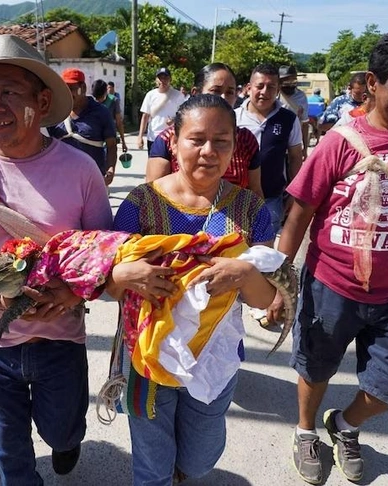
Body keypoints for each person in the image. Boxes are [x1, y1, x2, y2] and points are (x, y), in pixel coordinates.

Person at [270, 27, 388, 484]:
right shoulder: (340, 140)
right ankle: (306, 431)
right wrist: (279, 281)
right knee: (315, 368)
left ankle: (345, 425)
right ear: (373, 83)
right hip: (331, 286)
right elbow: (300, 212)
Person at [0, 35, 113, 485]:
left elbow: (105, 251)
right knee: (9, 447)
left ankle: (67, 442)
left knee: (62, 428)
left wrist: (68, 293)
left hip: (60, 337)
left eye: (8, 92)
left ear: (42, 101)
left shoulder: (80, 170)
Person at [108, 94, 277, 485]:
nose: (208, 151)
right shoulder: (140, 205)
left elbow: (267, 298)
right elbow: (108, 284)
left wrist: (242, 273)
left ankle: (184, 470)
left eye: (221, 141)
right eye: (196, 139)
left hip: (215, 358)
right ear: (174, 141)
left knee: (200, 460)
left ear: (235, 146)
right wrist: (123, 277)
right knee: (152, 467)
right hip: (147, 355)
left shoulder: (251, 211)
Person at [146, 62, 264, 199]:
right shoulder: (167, 139)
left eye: (230, 92)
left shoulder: (246, 140)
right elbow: (152, 197)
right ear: (196, 93)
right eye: (216, 91)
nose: (224, 98)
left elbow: (255, 191)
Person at [235, 63, 303, 235]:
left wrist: (294, 194)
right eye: (260, 86)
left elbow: (295, 157)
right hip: (234, 197)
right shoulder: (233, 118)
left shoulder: (288, 119)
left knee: (263, 252)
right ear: (249, 88)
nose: (265, 91)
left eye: (271, 87)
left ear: (278, 89)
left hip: (271, 197)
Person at [48, 69, 118, 186]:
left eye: (72, 89)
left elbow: (111, 145)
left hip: (92, 181)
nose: (68, 94)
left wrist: (110, 169)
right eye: (64, 90)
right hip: (61, 180)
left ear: (83, 88)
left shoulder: (101, 113)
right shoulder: (55, 113)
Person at [137, 67, 186, 153]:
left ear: (170, 79)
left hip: (171, 136)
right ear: (156, 80)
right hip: (153, 137)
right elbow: (145, 116)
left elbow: (184, 114)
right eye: (160, 78)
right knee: (153, 164)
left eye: (165, 78)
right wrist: (140, 136)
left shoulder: (178, 95)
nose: (163, 81)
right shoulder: (150, 95)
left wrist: (174, 120)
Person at [278, 65, 311, 158]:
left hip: (294, 144)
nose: (290, 83)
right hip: (276, 143)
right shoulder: (273, 95)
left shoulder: (301, 96)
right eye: (286, 80)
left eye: (293, 80)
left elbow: (305, 123)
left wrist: (305, 147)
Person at [91, 78, 128, 155]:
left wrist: (123, 141)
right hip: (93, 139)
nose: (98, 101)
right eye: (96, 98)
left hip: (108, 139)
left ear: (105, 93)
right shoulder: (91, 102)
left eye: (100, 98)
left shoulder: (113, 100)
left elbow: (119, 122)